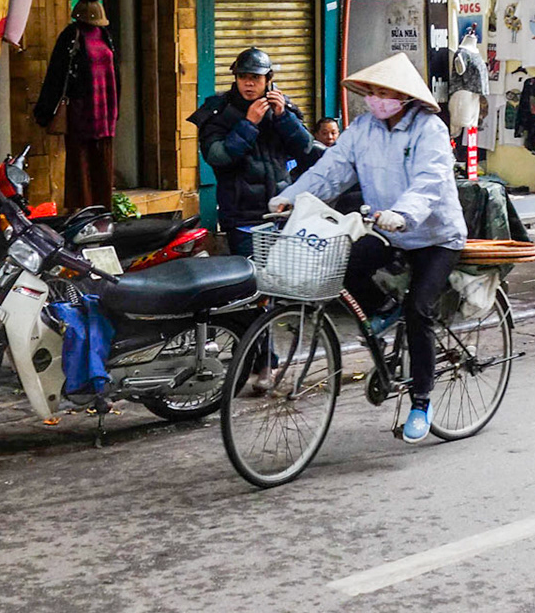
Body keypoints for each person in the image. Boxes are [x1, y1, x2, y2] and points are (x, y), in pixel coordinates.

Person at [272, 53, 464, 444]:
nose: (376, 98)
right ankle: (381, 309)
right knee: (339, 265)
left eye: (384, 91)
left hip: (434, 236)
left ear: (404, 96)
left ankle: (421, 401)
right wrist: (292, 198)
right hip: (386, 230)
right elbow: (331, 170)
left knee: (419, 310)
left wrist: (403, 213)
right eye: (372, 91)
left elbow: (429, 181)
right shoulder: (362, 129)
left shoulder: (429, 130)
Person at [189, 47, 316, 258]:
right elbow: (217, 157)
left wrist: (284, 117)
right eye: (243, 77)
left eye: (255, 77)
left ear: (268, 79)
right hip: (243, 220)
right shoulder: (218, 111)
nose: (249, 83)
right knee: (252, 281)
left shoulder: (283, 107)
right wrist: (248, 124)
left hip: (281, 213)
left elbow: (306, 150)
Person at [34, 0, 119, 218]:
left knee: (103, 160)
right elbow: (57, 73)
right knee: (79, 160)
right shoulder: (71, 36)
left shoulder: (105, 35)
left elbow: (115, 72)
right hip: (82, 109)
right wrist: (44, 110)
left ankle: (103, 209)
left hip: (105, 110)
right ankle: (82, 209)